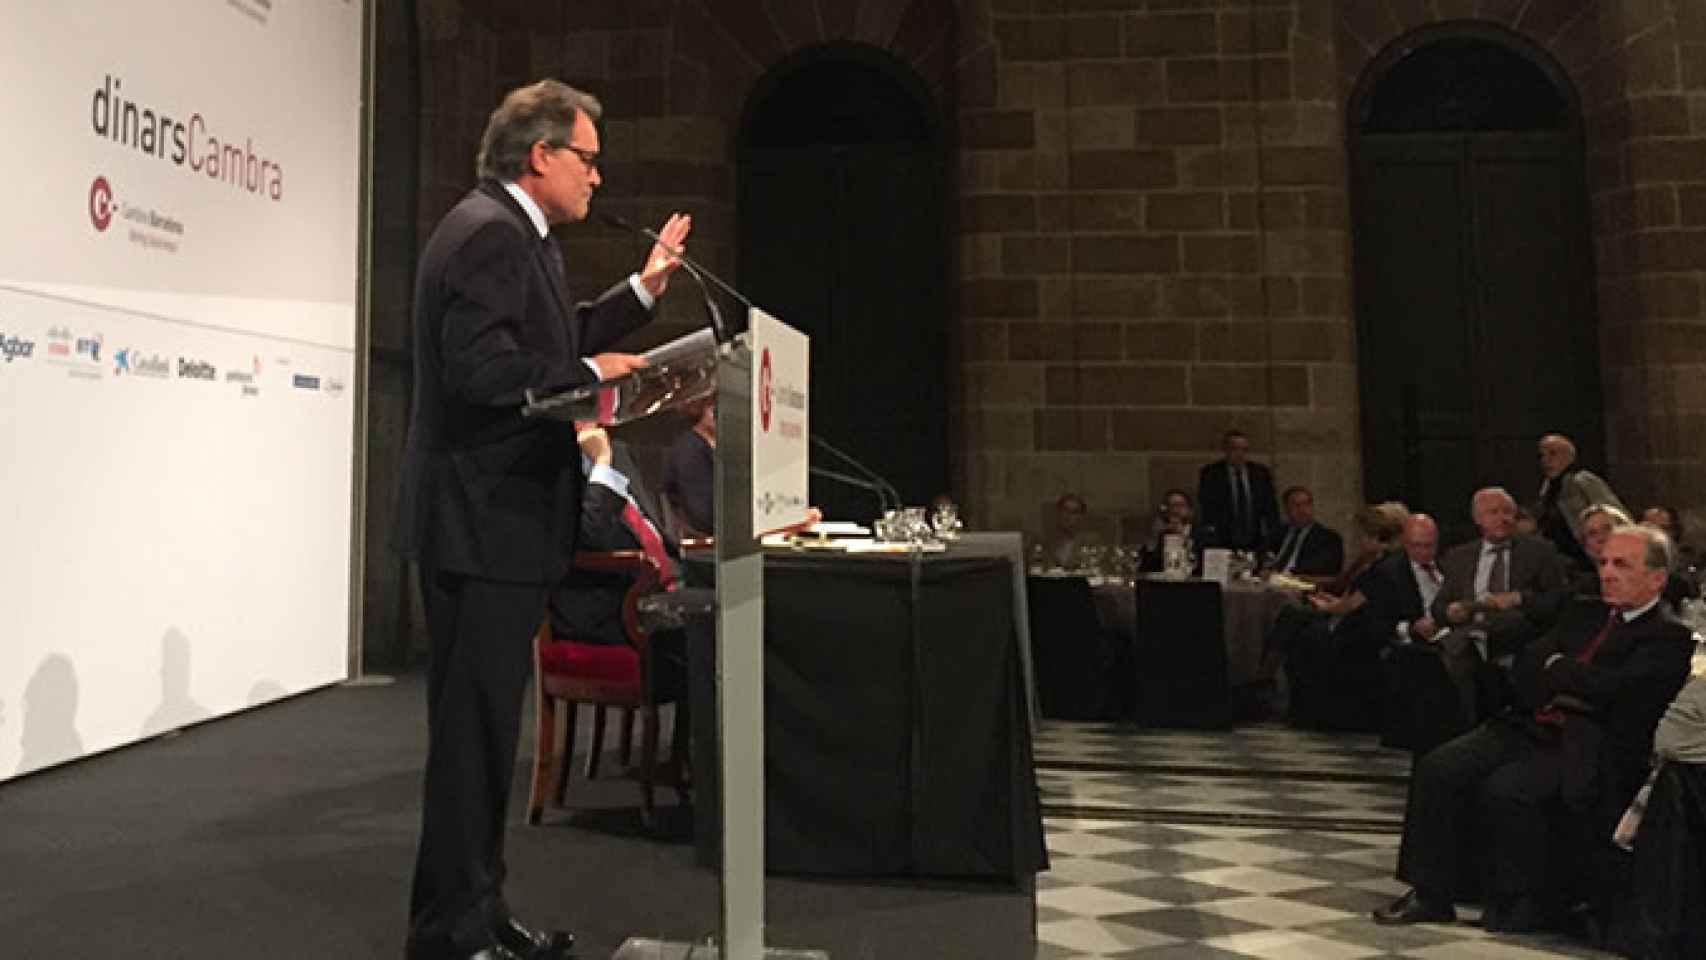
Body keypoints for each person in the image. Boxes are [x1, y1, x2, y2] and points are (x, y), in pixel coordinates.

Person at [393, 79, 692, 960]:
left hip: (503, 527)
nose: (598, 178)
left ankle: (480, 916)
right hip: (481, 525)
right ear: (542, 155)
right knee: (470, 744)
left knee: (485, 739)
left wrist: (638, 296)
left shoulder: (518, 236)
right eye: (589, 159)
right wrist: (592, 375)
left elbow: (549, 345)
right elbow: (486, 371)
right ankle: (448, 935)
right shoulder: (488, 235)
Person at [1374, 526, 1694, 934]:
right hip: (1527, 722)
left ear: (1657, 578)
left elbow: (1620, 693)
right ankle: (1431, 893)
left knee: (1508, 788)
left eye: (1622, 565)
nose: (1607, 573)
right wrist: (1567, 676)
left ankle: (1519, 902)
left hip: (1585, 741)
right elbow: (1529, 665)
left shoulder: (1667, 635)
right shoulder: (1584, 612)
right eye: (1604, 563)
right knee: (1440, 766)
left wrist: (1563, 671)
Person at [549, 425, 689, 776]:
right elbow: (590, 535)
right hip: (603, 614)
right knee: (708, 636)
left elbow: (651, 531)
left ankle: (696, 759)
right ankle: (703, 766)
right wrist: (603, 462)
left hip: (648, 598)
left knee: (725, 613)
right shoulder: (557, 470)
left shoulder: (618, 459)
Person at [1429, 486, 1570, 727]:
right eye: (1493, 512)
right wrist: (1450, 612)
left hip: (1518, 630)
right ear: (1477, 519)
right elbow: (1438, 608)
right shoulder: (1459, 557)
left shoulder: (1539, 552)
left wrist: (1518, 598)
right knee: (1458, 659)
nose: (1502, 518)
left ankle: (1470, 640)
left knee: (1497, 627)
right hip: (1469, 626)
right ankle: (1466, 729)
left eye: (1507, 512)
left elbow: (1558, 599)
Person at [1534, 433, 1623, 574]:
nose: (1546, 460)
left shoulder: (1583, 480)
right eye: (1542, 456)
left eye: (1553, 454)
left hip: (1587, 555)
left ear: (1569, 456)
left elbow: (1614, 514)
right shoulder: (1547, 488)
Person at [1195, 430, 1280, 551]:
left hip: (1255, 539)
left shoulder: (1260, 473)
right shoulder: (1212, 474)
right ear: (1225, 450)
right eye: (1235, 449)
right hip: (1222, 539)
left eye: (1244, 450)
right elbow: (1207, 507)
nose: (1240, 454)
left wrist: (1271, 535)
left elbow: (1270, 507)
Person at [661, 394, 714, 539]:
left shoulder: (721, 448)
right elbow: (703, 518)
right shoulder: (690, 449)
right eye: (711, 404)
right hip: (705, 546)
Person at [1269, 486, 1345, 582]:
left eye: (1307, 504)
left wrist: (1284, 576)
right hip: (1269, 584)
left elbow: (1321, 569)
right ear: (1286, 509)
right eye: (1296, 505)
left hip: (1301, 586)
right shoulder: (1276, 533)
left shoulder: (1329, 538)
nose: (1302, 509)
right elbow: (1263, 558)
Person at [1041, 493, 1102, 570]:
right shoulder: (1048, 541)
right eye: (1065, 510)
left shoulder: (1091, 541)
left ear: (1081, 517)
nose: (1068, 515)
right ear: (1058, 513)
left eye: (1074, 512)